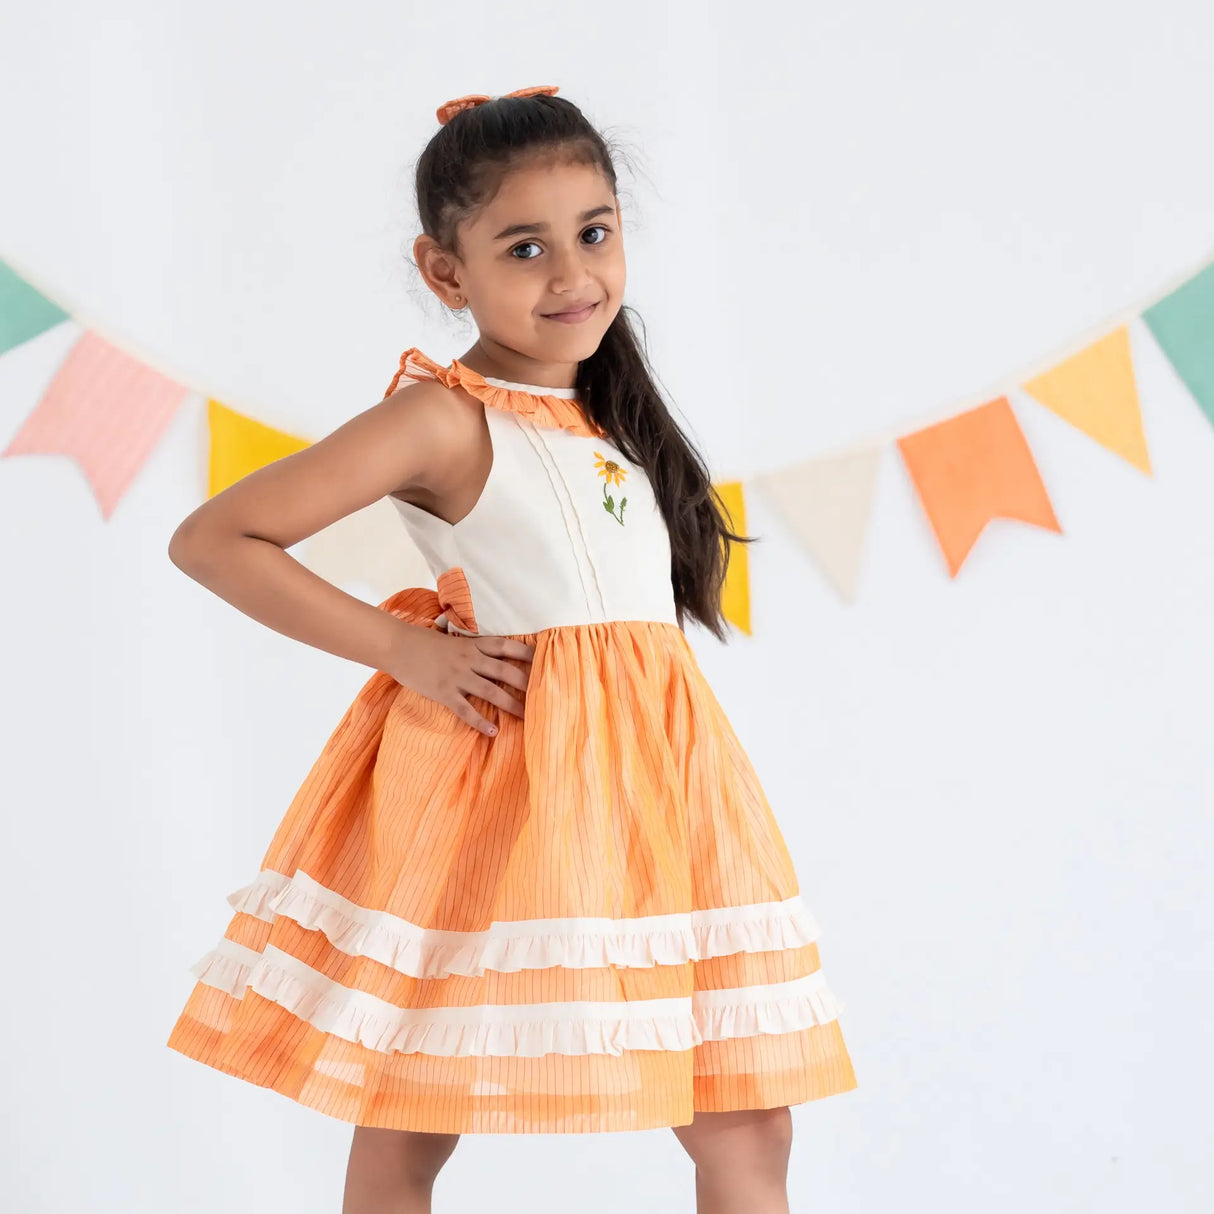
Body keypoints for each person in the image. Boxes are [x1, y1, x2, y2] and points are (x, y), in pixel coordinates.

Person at [165, 84, 858, 1214]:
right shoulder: (444, 417)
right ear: (447, 273)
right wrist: (405, 647)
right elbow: (215, 537)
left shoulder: (610, 415)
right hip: (510, 788)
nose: (570, 273)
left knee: (743, 1105)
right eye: (523, 247)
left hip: (661, 792)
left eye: (593, 232)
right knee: (411, 1098)